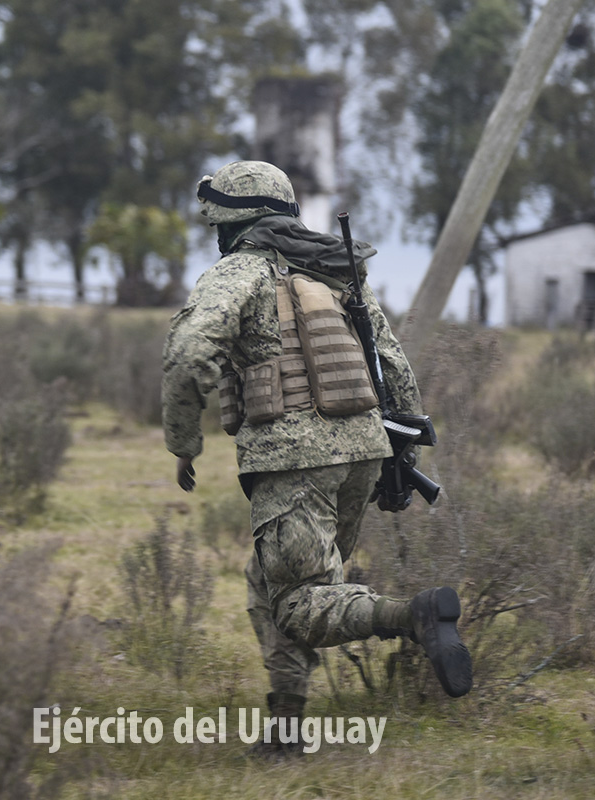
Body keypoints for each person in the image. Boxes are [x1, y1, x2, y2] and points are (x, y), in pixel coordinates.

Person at [160, 161, 472, 758]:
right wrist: (397, 452)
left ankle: (416, 615)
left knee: (302, 603)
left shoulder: (238, 273)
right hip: (361, 452)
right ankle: (285, 730)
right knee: (270, 583)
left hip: (292, 460)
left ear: (228, 222)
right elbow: (395, 368)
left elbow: (187, 352)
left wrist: (183, 444)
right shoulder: (336, 273)